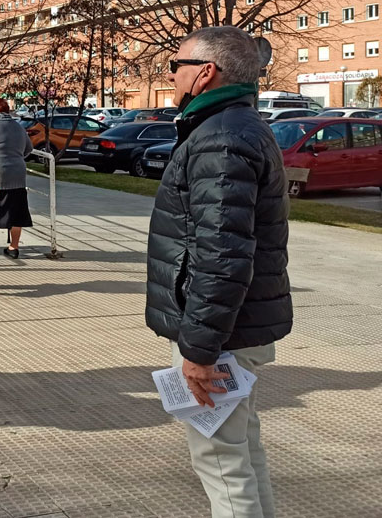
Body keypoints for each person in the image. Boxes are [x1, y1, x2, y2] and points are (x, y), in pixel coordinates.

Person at [146, 26, 292, 518]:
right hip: (236, 326)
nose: (172, 76)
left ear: (205, 73)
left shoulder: (222, 138)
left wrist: (201, 350)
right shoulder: (231, 128)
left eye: (177, 66)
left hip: (223, 333)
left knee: (221, 462)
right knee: (242, 452)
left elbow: (221, 254)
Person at [0, 98, 33, 259]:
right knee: (16, 214)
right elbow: (28, 148)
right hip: (17, 174)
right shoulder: (19, 127)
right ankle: (13, 247)